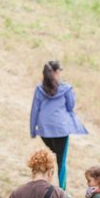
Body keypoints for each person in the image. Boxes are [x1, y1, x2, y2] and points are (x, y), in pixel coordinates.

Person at [29, 60, 88, 190]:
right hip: (61, 128)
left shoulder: (39, 89)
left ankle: (43, 182)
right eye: (60, 70)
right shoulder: (66, 88)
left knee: (53, 154)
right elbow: (71, 106)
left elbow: (35, 109)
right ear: (56, 72)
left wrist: (33, 130)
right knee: (61, 160)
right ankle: (62, 190)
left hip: (44, 130)